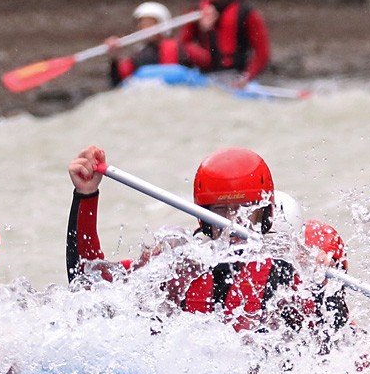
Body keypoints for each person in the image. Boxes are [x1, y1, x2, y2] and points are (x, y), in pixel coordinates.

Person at [64, 144, 345, 342]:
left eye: (247, 208)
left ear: (267, 213)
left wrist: (325, 280)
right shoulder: (180, 262)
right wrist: (86, 195)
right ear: (203, 217)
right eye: (222, 210)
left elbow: (331, 333)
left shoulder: (291, 264)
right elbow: (89, 278)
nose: (235, 222)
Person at [178, 0, 271, 89]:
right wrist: (205, 30)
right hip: (205, 74)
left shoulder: (246, 12)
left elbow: (262, 53)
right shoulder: (196, 11)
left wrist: (246, 77)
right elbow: (182, 44)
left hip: (234, 74)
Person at [107, 1, 186, 86]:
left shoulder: (173, 46)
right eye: (142, 24)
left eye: (149, 23)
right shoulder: (140, 53)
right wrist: (115, 56)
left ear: (162, 24)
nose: (144, 28)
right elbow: (121, 81)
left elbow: (171, 76)